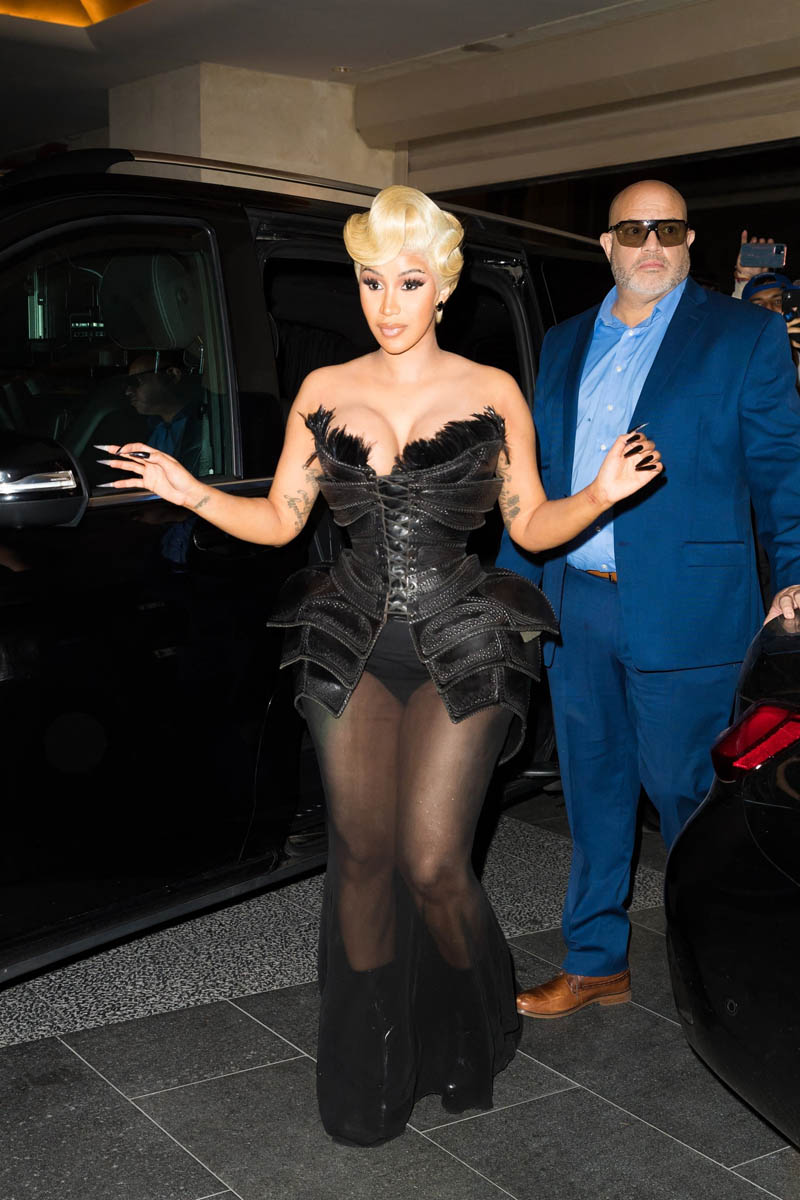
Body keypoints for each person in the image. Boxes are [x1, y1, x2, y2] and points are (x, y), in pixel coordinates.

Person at [101, 185, 661, 1145]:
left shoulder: (492, 390)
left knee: (435, 861)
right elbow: (280, 520)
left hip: (463, 639)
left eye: (407, 281)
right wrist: (191, 492)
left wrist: (600, 493)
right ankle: (373, 1065)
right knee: (360, 856)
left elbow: (530, 524)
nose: (387, 303)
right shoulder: (325, 388)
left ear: (442, 285)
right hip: (347, 640)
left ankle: (474, 1015)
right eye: (370, 281)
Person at [498, 179, 800, 1020]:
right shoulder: (563, 341)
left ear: (690, 240)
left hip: (690, 606)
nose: (652, 244)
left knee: (687, 797)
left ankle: (723, 974)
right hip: (579, 603)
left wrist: (794, 572)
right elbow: (538, 478)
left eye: (668, 229)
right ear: (608, 245)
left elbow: (783, 469)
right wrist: (509, 590)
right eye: (633, 230)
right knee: (592, 788)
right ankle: (595, 961)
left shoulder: (743, 334)